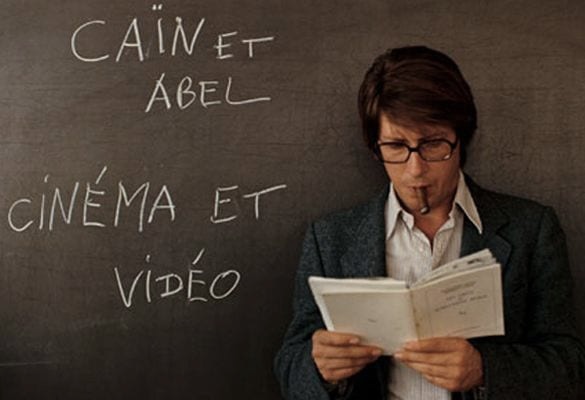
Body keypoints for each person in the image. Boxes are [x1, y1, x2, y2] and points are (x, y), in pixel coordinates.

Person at [274, 46, 585, 399]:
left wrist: (484, 370)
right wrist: (321, 368)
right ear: (375, 148)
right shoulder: (330, 238)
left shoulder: (531, 228)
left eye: (433, 144)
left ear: (461, 138)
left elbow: (569, 366)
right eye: (396, 146)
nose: (415, 170)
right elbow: (290, 367)